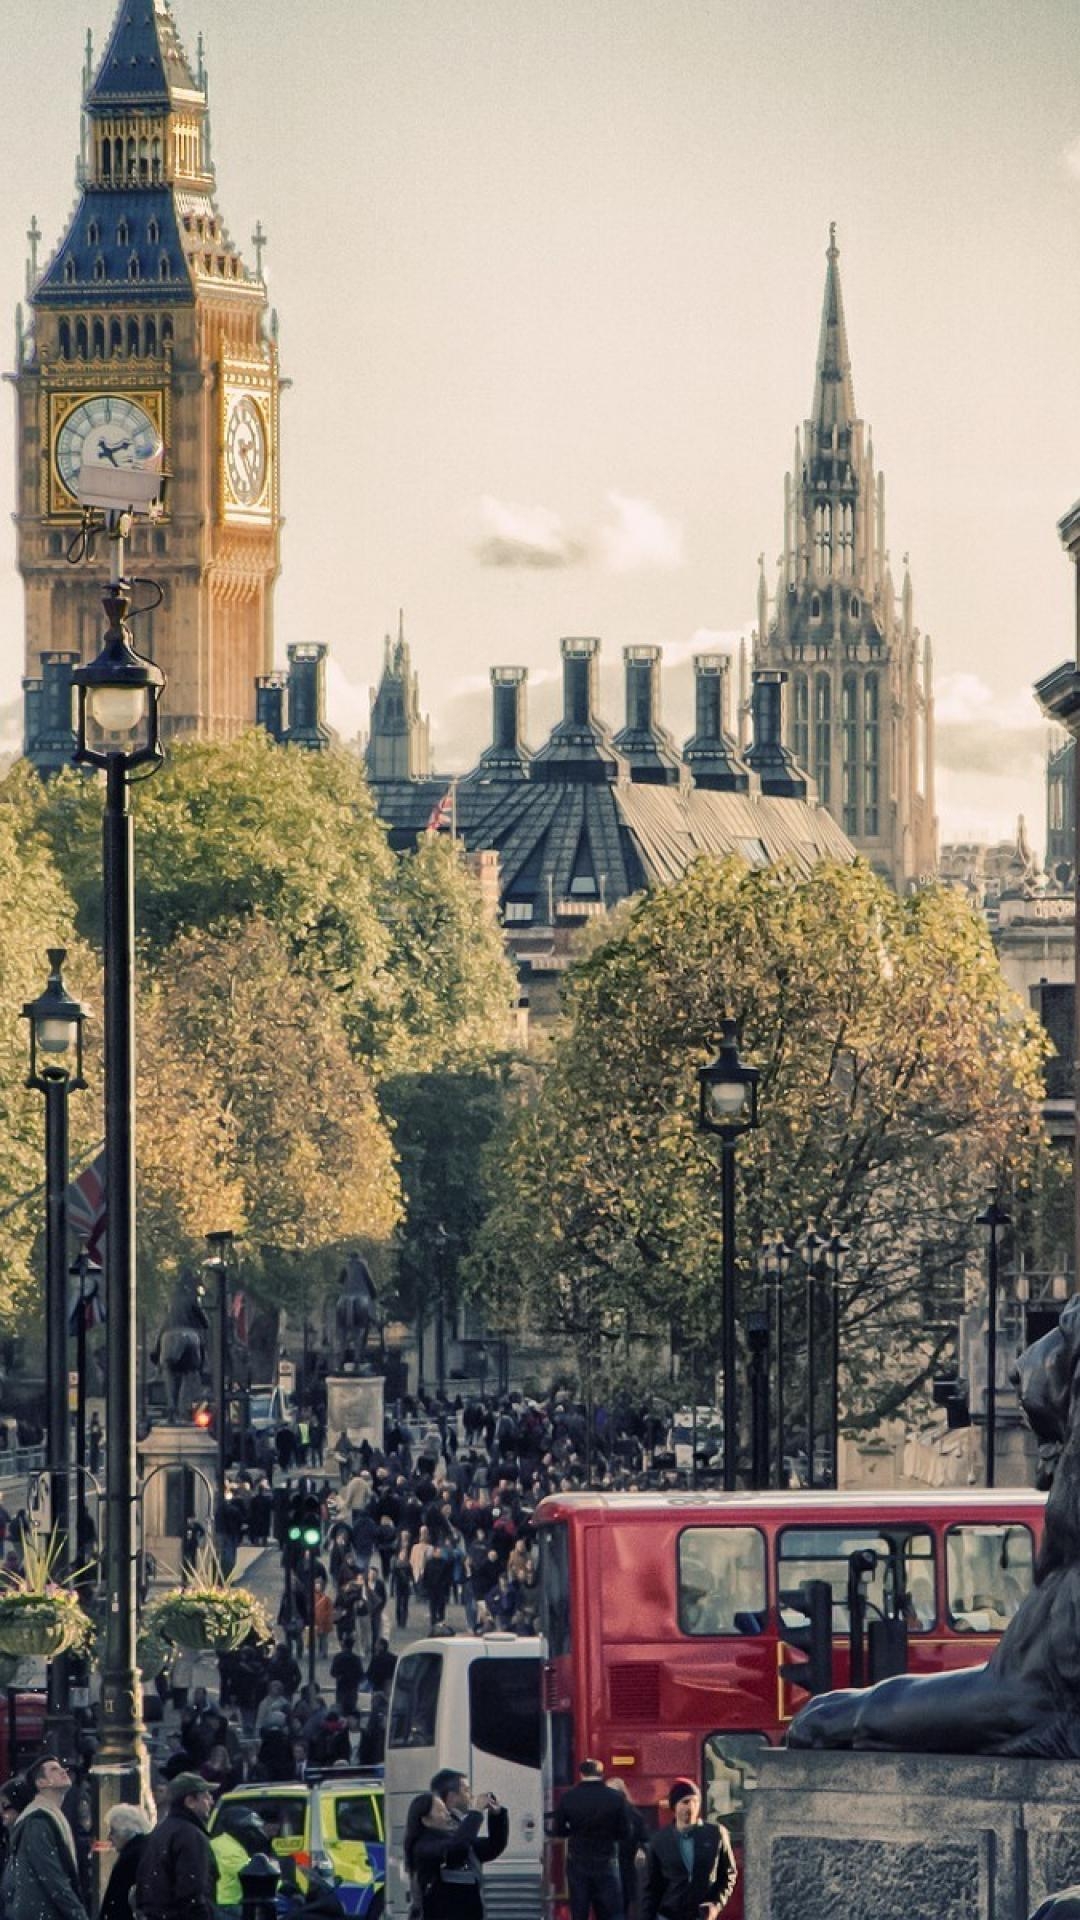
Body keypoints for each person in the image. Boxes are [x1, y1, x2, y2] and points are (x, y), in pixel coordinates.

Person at [5, 1754, 88, 1920]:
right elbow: (52, 1875)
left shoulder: (47, 1817)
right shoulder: (37, 1822)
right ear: (41, 1783)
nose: (63, 1771)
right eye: (54, 1769)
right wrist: (78, 1914)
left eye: (61, 1768)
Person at [403, 1785, 504, 1920]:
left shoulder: (453, 1840)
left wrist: (496, 1816)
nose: (447, 1815)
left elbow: (493, 1847)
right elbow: (457, 1848)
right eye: (440, 1811)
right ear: (426, 1820)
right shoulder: (423, 1848)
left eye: (446, 1810)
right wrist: (476, 1812)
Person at [640, 1779, 735, 1920]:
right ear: (674, 1806)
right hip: (669, 1914)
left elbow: (728, 1874)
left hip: (701, 1915)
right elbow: (651, 1888)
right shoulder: (659, 1840)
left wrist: (716, 1905)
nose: (690, 1807)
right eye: (685, 1802)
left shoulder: (716, 1834)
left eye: (695, 1801)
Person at [553, 1757, 633, 1920]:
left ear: (581, 1773)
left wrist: (573, 1832)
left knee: (580, 1911)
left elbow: (559, 1830)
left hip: (578, 1862)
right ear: (601, 1773)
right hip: (607, 1861)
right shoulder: (616, 1798)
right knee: (613, 1912)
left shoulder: (569, 1797)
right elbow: (625, 1832)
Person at [135, 1772, 218, 1920]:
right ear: (190, 1801)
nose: (211, 1801)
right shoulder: (191, 1836)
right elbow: (192, 1892)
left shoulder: (159, 1832)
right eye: (205, 1796)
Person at [210, 1806, 267, 1920]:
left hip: (223, 1903)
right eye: (252, 1830)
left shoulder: (226, 1843)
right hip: (228, 1905)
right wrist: (282, 1886)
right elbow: (252, 1876)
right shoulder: (229, 1849)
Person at [99, 1806, 152, 1920]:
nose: (109, 1838)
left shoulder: (130, 1858)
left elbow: (116, 1901)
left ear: (125, 1830)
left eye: (112, 1831)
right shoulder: (146, 1849)